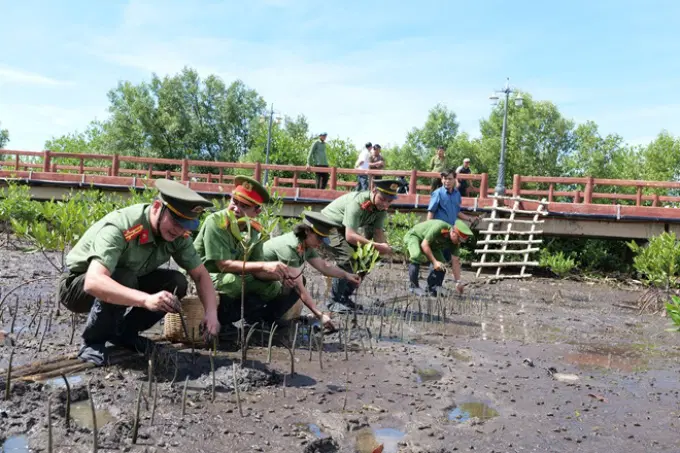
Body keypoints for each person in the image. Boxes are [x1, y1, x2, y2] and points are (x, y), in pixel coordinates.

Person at [59, 179, 221, 366]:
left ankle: (125, 334)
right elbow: (93, 282)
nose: (180, 231)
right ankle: (93, 342)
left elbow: (200, 275)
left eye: (187, 226)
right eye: (176, 222)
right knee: (123, 277)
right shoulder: (122, 226)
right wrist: (146, 300)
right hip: (76, 286)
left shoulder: (179, 235)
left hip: (129, 279)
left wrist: (211, 313)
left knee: (176, 282)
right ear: (157, 207)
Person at [193, 176, 301, 327]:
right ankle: (223, 321)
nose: (236, 209)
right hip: (204, 274)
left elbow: (257, 271)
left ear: (257, 211)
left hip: (235, 275)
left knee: (272, 288)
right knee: (232, 282)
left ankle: (255, 320)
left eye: (244, 206)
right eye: (234, 202)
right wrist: (264, 266)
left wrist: (279, 275)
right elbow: (223, 265)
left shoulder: (255, 231)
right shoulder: (216, 222)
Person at [262, 211, 362, 330]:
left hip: (268, 282)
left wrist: (346, 275)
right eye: (319, 238)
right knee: (294, 283)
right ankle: (264, 318)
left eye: (323, 238)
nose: (321, 242)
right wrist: (319, 315)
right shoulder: (290, 247)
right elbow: (298, 287)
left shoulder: (305, 244)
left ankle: (269, 318)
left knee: (293, 282)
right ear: (307, 231)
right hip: (253, 283)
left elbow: (324, 267)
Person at [320, 179, 403, 313]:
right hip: (326, 226)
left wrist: (383, 249)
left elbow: (377, 232)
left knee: (367, 258)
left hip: (342, 229)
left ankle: (344, 297)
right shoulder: (357, 202)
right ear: (374, 191)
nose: (385, 204)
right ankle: (334, 301)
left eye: (389, 201)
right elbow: (350, 236)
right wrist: (376, 245)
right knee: (347, 257)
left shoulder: (381, 210)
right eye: (382, 199)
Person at [405, 219, 474, 296]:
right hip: (415, 236)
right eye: (459, 239)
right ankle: (414, 287)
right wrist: (434, 262)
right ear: (453, 232)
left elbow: (455, 261)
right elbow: (424, 244)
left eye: (461, 240)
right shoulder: (440, 227)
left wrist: (458, 282)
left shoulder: (455, 242)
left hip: (432, 245)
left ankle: (433, 287)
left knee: (441, 263)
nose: (459, 242)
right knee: (416, 255)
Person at [427, 168, 479, 268]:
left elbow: (457, 212)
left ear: (455, 179)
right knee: (438, 260)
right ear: (442, 179)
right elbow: (431, 212)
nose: (447, 181)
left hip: (451, 233)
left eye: (450, 179)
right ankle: (433, 279)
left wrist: (470, 218)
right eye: (445, 178)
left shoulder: (457, 194)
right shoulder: (437, 193)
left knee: (446, 259)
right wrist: (428, 231)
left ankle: (439, 279)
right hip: (439, 232)